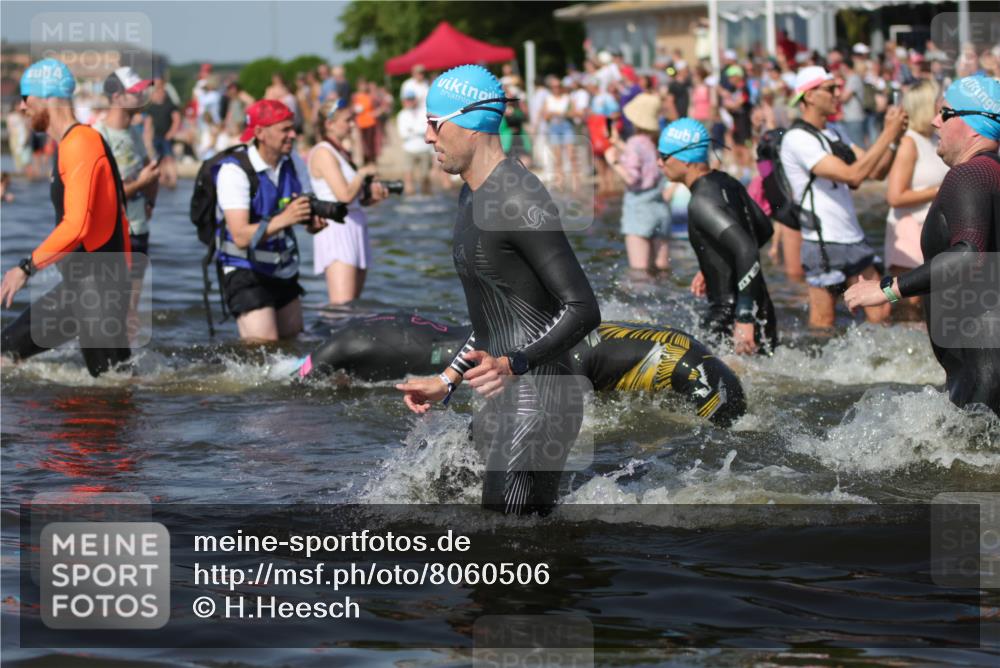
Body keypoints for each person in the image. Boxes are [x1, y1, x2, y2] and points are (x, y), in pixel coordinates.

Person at [396, 65, 601, 515]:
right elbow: (495, 310)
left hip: (540, 396)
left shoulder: (518, 198)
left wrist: (513, 364)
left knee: (509, 557)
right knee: (441, 501)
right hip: (500, 390)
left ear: (469, 124)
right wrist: (447, 380)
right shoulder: (471, 193)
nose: (427, 137)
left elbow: (584, 308)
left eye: (434, 123)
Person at [845, 75, 1000, 416]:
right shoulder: (992, 174)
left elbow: (968, 255)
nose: (934, 121)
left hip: (985, 379)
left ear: (973, 124)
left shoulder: (969, 176)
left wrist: (887, 289)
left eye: (945, 113)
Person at [300, 314, 746, 427]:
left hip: (690, 368)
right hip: (682, 353)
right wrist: (447, 383)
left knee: (737, 440)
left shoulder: (545, 361)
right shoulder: (531, 340)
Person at [1, 59, 131, 376]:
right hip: (90, 287)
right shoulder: (72, 145)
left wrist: (26, 267)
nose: (20, 107)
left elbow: (77, 226)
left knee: (112, 389)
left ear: (46, 97)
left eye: (25, 98)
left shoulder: (80, 144)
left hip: (96, 289)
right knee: (114, 383)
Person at [779, 66, 908, 328]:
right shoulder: (797, 138)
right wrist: (887, 133)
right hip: (823, 242)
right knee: (824, 322)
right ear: (809, 96)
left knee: (882, 314)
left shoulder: (836, 131)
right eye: (830, 89)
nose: (839, 93)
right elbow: (852, 176)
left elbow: (876, 171)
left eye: (838, 87)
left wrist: (894, 139)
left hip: (852, 237)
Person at [659, 118, 778, 354]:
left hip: (730, 317)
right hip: (763, 310)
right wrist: (715, 263)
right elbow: (763, 229)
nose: (659, 163)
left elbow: (746, 249)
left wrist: (744, 319)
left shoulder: (701, 202)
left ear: (685, 158)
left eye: (664, 156)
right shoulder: (727, 182)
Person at [214, 99, 324, 342]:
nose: (293, 134)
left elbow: (304, 210)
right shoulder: (234, 171)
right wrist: (286, 218)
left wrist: (313, 223)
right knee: (264, 346)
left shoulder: (293, 162)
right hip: (244, 268)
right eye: (285, 129)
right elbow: (240, 235)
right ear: (260, 133)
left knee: (292, 341)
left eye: (293, 128)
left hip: (281, 266)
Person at [94, 67, 161, 343]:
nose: (143, 96)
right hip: (111, 233)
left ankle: (127, 365)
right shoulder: (98, 135)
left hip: (138, 228)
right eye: (136, 92)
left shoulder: (134, 132)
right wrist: (142, 183)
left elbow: (149, 169)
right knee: (110, 308)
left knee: (131, 309)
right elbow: (102, 194)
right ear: (117, 97)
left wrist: (151, 199)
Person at [308, 99, 387, 304]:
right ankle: (327, 335)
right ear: (329, 124)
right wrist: (362, 173)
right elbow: (343, 195)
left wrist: (372, 197)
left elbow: (352, 198)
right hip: (337, 228)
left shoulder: (340, 152)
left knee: (353, 304)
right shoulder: (323, 152)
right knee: (342, 306)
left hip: (354, 225)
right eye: (348, 120)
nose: (353, 125)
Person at [883, 80, 949, 320]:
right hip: (909, 231)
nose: (942, 105)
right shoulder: (909, 143)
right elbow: (894, 196)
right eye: (937, 101)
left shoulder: (933, 139)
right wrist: (939, 189)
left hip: (930, 229)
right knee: (909, 306)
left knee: (929, 305)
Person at [605, 93, 671, 273]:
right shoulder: (656, 143)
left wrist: (614, 162)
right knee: (662, 270)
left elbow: (632, 178)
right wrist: (619, 144)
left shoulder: (635, 143)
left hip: (639, 211)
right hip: (660, 209)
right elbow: (646, 161)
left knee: (640, 273)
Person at [146, 78, 181, 188]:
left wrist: (171, 132)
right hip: (156, 136)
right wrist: (147, 136)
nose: (158, 94)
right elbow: (148, 123)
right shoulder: (152, 107)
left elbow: (177, 120)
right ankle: (161, 179)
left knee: (169, 157)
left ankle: (173, 180)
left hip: (166, 136)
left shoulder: (170, 105)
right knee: (159, 158)